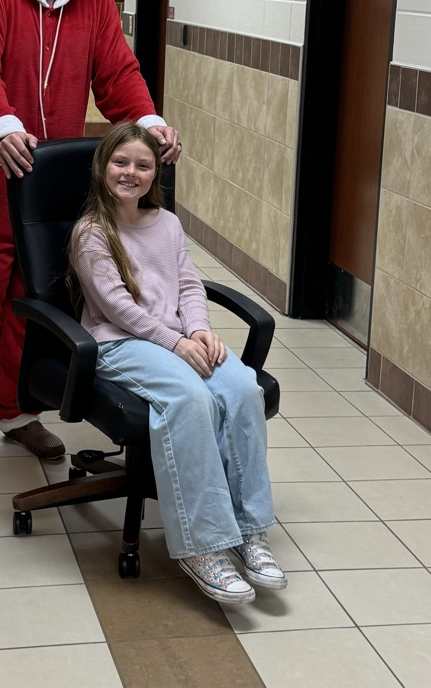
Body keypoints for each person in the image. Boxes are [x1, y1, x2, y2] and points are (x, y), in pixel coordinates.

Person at [0, 0, 181, 459]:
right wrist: (0, 123)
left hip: (52, 179)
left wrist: (147, 122)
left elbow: (118, 72)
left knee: (41, 290)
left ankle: (16, 409)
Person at [68, 122, 286, 603]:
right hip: (120, 342)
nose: (131, 172)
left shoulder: (166, 223)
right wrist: (175, 342)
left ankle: (250, 531)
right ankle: (201, 546)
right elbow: (117, 307)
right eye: (120, 162)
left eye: (143, 165)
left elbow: (188, 285)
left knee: (242, 389)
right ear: (102, 166)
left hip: (176, 336)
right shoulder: (92, 233)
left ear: (155, 173)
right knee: (189, 397)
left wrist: (200, 330)